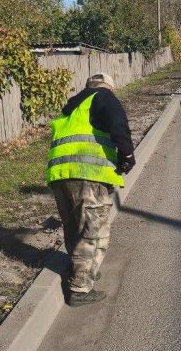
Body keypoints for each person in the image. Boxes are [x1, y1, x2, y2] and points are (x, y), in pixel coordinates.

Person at [47, 72, 135, 307]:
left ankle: (81, 270)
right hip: (89, 174)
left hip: (60, 175)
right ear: (109, 87)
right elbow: (118, 124)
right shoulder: (104, 97)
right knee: (94, 231)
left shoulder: (72, 106)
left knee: (74, 227)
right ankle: (80, 288)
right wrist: (127, 154)